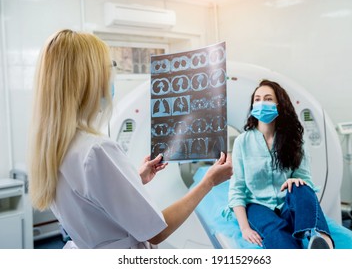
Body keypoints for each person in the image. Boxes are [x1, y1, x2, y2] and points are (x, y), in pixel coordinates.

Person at [28, 29, 233, 249]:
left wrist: (136, 178)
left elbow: (91, 200)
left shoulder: (54, 146)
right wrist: (208, 181)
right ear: (88, 80)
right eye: (107, 71)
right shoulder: (97, 150)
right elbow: (156, 232)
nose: (110, 80)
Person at [226, 79, 334, 249]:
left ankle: (321, 241)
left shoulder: (294, 140)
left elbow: (305, 178)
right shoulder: (242, 142)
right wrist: (245, 228)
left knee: (301, 187)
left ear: (279, 104)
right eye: (257, 99)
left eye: (268, 99)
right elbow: (237, 189)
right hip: (257, 204)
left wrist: (296, 180)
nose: (262, 103)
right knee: (275, 229)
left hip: (287, 202)